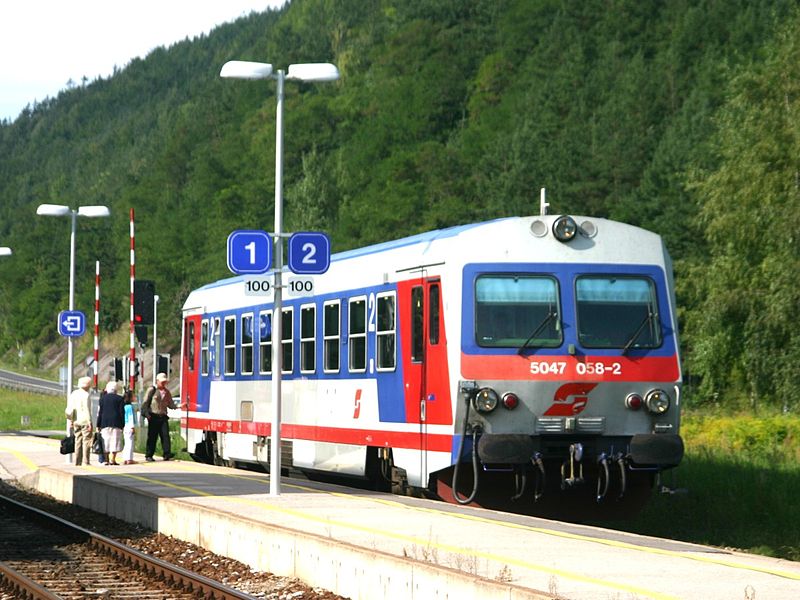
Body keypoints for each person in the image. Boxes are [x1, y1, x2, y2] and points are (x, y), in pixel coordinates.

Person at [143, 372, 177, 461]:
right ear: (157, 381)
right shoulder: (152, 390)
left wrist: (179, 406)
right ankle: (149, 455)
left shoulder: (167, 392)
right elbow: (145, 402)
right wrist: (147, 414)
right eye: (161, 382)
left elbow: (171, 404)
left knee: (165, 435)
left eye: (164, 382)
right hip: (153, 416)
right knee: (152, 436)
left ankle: (167, 453)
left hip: (163, 416)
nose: (163, 383)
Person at [64, 376, 94, 465]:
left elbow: (70, 408)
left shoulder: (74, 394)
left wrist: (71, 421)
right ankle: (86, 461)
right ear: (88, 385)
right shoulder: (86, 395)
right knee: (86, 441)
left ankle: (77, 461)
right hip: (85, 421)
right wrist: (90, 422)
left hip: (76, 421)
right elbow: (87, 409)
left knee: (78, 440)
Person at [97, 380, 125, 465]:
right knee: (115, 440)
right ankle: (113, 459)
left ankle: (106, 459)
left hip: (104, 422)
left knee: (106, 440)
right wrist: (123, 424)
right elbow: (122, 412)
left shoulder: (102, 399)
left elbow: (100, 413)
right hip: (116, 422)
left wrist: (98, 424)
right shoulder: (120, 399)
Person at [122, 388, 137, 464]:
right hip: (129, 426)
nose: (135, 397)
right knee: (130, 442)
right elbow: (130, 417)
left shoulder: (124, 406)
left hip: (125, 425)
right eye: (133, 396)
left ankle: (125, 458)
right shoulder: (130, 407)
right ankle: (129, 459)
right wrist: (132, 427)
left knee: (126, 442)